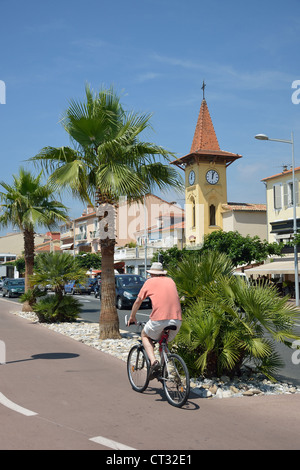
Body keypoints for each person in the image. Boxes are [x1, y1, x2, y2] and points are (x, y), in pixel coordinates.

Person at [127, 262, 182, 379]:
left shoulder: (149, 282)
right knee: (163, 341)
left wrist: (132, 316)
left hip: (159, 319)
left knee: (145, 335)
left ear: (151, 273)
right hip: (177, 320)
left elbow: (138, 301)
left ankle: (154, 362)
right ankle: (164, 368)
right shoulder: (171, 281)